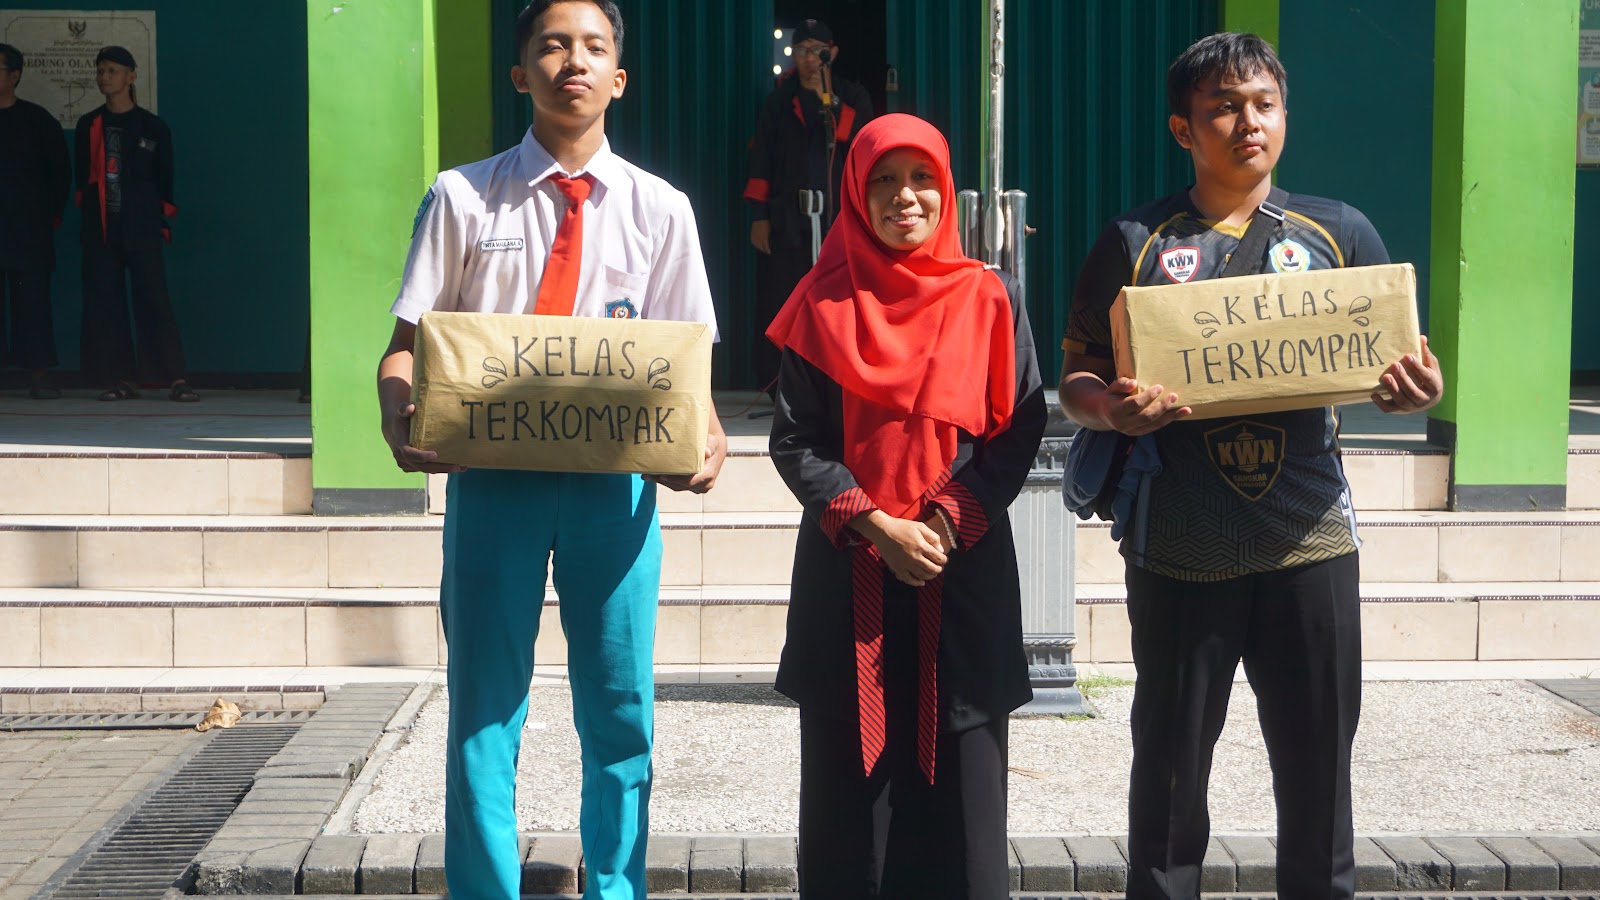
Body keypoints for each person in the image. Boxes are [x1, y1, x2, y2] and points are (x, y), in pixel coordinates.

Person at [1057, 33, 1444, 900]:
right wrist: (1109, 409)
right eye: (1224, 107)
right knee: (1169, 773)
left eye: (1264, 103)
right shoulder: (1134, 240)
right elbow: (1078, 374)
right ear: (1183, 129)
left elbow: (1397, 364)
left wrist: (1415, 392)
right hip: (1180, 542)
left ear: (1284, 114)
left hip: (1310, 542)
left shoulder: (1342, 233)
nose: (1248, 122)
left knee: (1319, 770)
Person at [376, 2, 725, 898]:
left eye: (594, 47)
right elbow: (405, 348)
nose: (574, 60)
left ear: (619, 78)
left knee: (620, 713)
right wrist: (396, 409)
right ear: (519, 71)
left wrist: (707, 440)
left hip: (616, 495)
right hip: (496, 487)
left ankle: (615, 888)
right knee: (483, 711)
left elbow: (688, 372)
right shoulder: (462, 197)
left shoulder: (662, 209)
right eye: (552, 45)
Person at [767, 113, 1046, 899]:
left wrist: (946, 519)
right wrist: (877, 524)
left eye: (922, 177)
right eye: (883, 180)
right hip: (848, 580)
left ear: (947, 188)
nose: (905, 197)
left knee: (964, 812)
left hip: (961, 576)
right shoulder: (822, 300)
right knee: (849, 822)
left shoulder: (989, 297)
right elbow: (795, 440)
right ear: (855, 193)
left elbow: (1017, 432)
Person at [745, 18, 873, 396]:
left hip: (839, 221)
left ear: (832, 54)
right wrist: (759, 217)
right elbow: (761, 159)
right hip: (789, 221)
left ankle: (838, 385)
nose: (809, 59)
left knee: (839, 300)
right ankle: (780, 386)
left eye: (817, 51)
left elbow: (864, 146)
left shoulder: (852, 97)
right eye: (801, 50)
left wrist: (828, 100)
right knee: (784, 299)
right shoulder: (779, 101)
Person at [74, 45, 196, 402]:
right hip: (102, 229)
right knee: (108, 305)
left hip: (142, 227)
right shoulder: (89, 124)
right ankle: (123, 380)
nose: (104, 77)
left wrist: (158, 219)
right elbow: (83, 179)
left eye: (112, 71)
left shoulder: (153, 127)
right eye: (100, 70)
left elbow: (164, 178)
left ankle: (175, 379)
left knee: (154, 300)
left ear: (131, 77)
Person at [0, 43, 70, 399]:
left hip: (28, 229)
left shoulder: (38, 121)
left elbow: (59, 174)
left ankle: (39, 376)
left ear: (14, 76)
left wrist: (50, 215)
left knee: (32, 303)